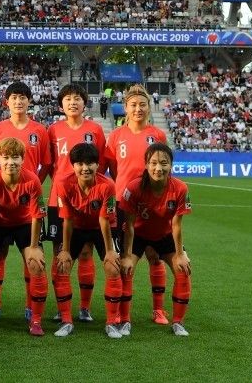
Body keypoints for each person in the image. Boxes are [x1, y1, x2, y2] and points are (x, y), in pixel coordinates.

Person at [104, 84, 175, 326]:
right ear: (125, 107)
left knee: (155, 257)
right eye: (133, 105)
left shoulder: (158, 135)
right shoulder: (115, 136)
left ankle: (158, 310)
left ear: (148, 107)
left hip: (154, 205)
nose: (138, 109)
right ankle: (125, 315)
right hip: (125, 205)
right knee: (126, 258)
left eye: (142, 104)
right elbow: (113, 169)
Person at [0, 81, 52, 321]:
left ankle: (29, 305)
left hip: (28, 207)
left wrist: (33, 182)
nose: (19, 101)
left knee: (31, 257)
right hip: (1, 207)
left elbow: (47, 163)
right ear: (7, 101)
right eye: (14, 97)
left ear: (29, 101)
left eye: (23, 96)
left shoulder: (40, 130)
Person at [0, 137, 48, 337]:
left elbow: (37, 216)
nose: (10, 162)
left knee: (35, 263)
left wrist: (33, 247)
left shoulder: (32, 180)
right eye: (5, 157)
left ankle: (36, 320)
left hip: (24, 224)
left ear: (23, 159)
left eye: (15, 157)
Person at [47, 84, 107, 323]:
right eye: (68, 99)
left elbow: (100, 164)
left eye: (77, 99)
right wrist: (65, 187)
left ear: (84, 103)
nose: (73, 103)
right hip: (58, 200)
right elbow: (50, 165)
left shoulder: (95, 130)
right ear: (61, 105)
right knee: (60, 253)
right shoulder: (52, 130)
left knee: (85, 252)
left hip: (89, 200)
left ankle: (84, 308)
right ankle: (61, 307)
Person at [120, 142, 192, 337]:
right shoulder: (134, 187)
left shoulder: (180, 188)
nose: (158, 168)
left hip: (164, 235)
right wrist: (126, 255)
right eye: (153, 163)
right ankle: (125, 320)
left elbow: (176, 225)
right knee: (125, 270)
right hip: (138, 235)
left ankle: (178, 322)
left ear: (171, 166)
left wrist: (181, 254)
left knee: (183, 270)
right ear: (146, 164)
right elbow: (128, 226)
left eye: (164, 163)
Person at [51, 143, 123, 338]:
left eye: (90, 163)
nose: (85, 168)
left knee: (113, 267)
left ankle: (111, 323)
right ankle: (66, 320)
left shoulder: (107, 185)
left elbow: (104, 219)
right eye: (80, 163)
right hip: (76, 227)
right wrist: (65, 250)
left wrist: (109, 250)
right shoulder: (63, 183)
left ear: (98, 165)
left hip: (102, 228)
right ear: (73, 165)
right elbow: (66, 219)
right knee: (62, 266)